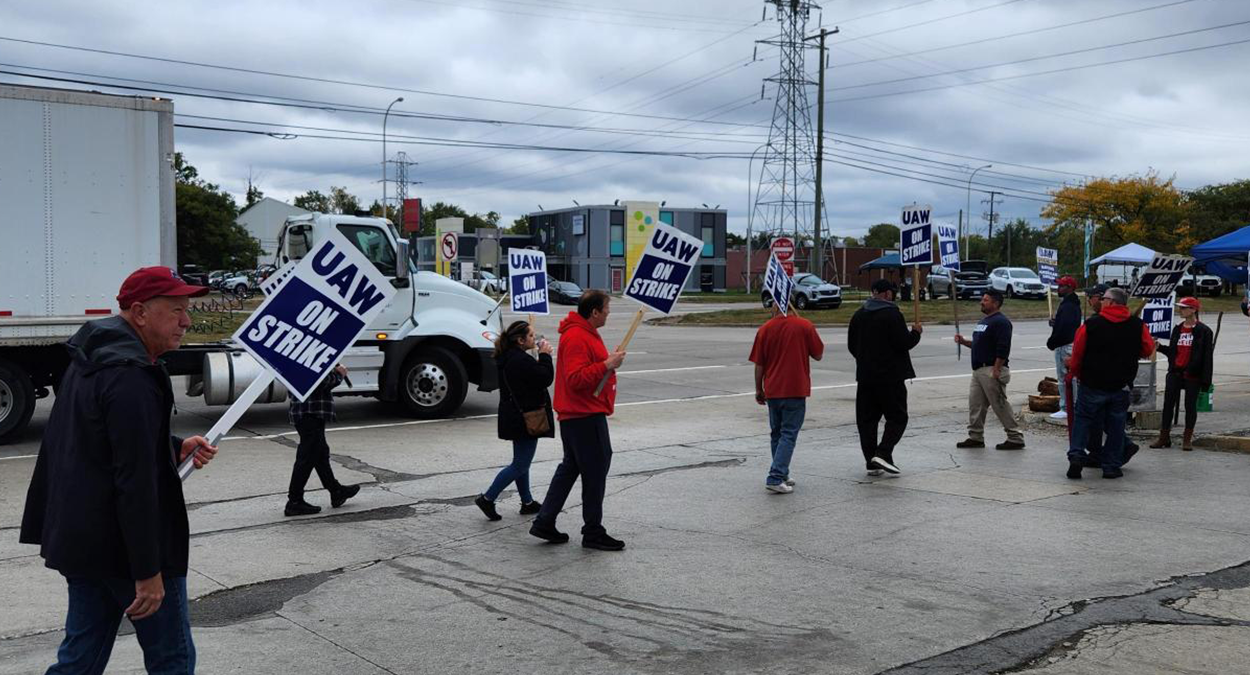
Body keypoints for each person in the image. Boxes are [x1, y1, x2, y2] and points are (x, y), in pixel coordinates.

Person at [20, 267, 218, 673]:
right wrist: (147, 572)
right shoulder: (130, 376)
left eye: (188, 310)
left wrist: (174, 445)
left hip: (84, 540)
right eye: (177, 310)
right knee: (172, 660)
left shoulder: (93, 356)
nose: (187, 321)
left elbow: (97, 439)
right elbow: (136, 483)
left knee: (80, 658)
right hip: (126, 550)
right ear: (141, 313)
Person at [530, 290, 627, 551]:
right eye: (607, 308)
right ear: (594, 311)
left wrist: (607, 362)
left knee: (571, 468)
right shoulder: (577, 336)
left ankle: (545, 520)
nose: (609, 312)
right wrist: (607, 364)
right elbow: (575, 379)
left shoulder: (583, 332)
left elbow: (587, 370)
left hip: (580, 413)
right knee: (595, 470)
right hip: (583, 414)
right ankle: (592, 530)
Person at [1064, 287, 1155, 479]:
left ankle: (1077, 456)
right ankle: (1111, 465)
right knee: (1116, 426)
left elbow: (1078, 352)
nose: (1101, 302)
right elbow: (1147, 349)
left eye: (1104, 299)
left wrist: (1074, 372)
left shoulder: (1092, 324)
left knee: (1083, 420)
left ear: (1111, 302)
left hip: (1092, 383)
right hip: (1121, 384)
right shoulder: (1137, 325)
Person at [476, 320, 553, 520]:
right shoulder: (519, 360)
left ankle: (527, 502)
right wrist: (545, 356)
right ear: (520, 340)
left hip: (514, 415)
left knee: (521, 462)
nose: (534, 339)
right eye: (531, 336)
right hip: (525, 417)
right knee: (520, 465)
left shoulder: (510, 357)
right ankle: (488, 498)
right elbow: (544, 378)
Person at [750, 298, 825, 492]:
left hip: (773, 388)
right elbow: (818, 354)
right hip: (795, 387)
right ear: (792, 305)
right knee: (788, 434)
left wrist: (759, 389)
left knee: (777, 433)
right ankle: (775, 477)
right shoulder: (804, 325)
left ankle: (781, 471)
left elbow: (759, 364)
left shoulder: (765, 329)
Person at [847, 279, 920, 476]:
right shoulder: (891, 314)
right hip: (890, 377)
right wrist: (916, 333)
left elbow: (852, 346)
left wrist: (866, 360)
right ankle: (883, 452)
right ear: (887, 294)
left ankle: (871, 461)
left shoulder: (859, 314)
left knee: (867, 420)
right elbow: (903, 342)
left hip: (865, 377)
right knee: (897, 417)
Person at [285, 363, 360, 516]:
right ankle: (294, 501)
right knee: (306, 457)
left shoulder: (296, 357)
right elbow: (320, 382)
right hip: (310, 412)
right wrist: (339, 374)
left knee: (320, 454)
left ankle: (336, 491)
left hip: (307, 412)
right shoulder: (308, 359)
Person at [954, 289, 1025, 450]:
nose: (981, 302)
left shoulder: (1001, 322)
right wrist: (964, 342)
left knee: (999, 404)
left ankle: (1015, 437)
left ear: (995, 303)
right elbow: (979, 345)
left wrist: (997, 368)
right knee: (976, 404)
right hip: (979, 371)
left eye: (985, 300)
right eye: (982, 299)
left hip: (992, 369)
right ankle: (976, 436)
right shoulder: (984, 322)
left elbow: (1003, 347)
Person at [1151, 297, 1215, 451]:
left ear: (1193, 310)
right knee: (1168, 405)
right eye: (1180, 307)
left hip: (1193, 374)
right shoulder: (1177, 329)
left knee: (1190, 406)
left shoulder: (1204, 331)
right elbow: (1173, 352)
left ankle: (1187, 439)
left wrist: (1206, 380)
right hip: (1175, 372)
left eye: (1184, 307)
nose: (1180, 310)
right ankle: (1164, 437)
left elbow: (1207, 357)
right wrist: (1159, 347)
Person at [1046, 276, 1082, 420]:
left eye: (1061, 286)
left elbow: (1065, 329)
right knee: (1068, 377)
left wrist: (1052, 342)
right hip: (1067, 343)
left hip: (1064, 345)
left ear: (1070, 288)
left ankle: (1067, 407)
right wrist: (1056, 322)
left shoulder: (1068, 306)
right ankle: (1070, 405)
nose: (1058, 289)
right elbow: (1064, 324)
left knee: (1065, 378)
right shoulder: (1070, 304)